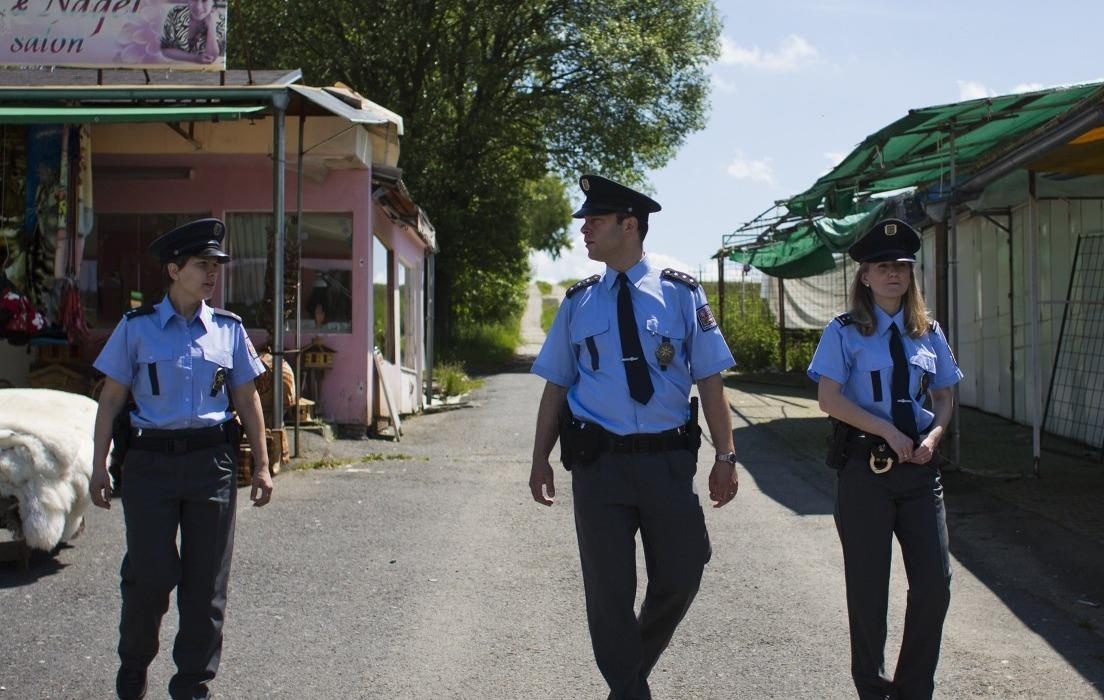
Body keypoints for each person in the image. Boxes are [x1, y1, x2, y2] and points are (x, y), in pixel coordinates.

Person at [529, 174, 738, 699]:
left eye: (594, 221)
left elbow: (710, 380)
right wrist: (539, 459)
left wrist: (726, 455)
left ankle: (626, 680)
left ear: (630, 225)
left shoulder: (681, 292)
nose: (584, 231)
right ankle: (631, 691)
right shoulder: (577, 303)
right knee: (608, 592)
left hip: (667, 463)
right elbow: (556, 388)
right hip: (600, 467)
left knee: (684, 571)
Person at [88, 218, 273, 700]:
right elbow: (110, 401)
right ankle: (134, 665)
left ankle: (193, 684)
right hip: (149, 465)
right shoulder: (137, 329)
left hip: (212, 464)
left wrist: (264, 464)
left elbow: (248, 399)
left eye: (215, 265)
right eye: (201, 265)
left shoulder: (228, 331)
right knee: (149, 577)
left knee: (205, 585)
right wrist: (97, 465)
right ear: (174, 269)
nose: (212, 273)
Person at [807, 218, 963, 700]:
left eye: (901, 266)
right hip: (866, 472)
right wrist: (886, 431)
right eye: (882, 266)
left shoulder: (927, 330)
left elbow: (944, 394)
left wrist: (935, 435)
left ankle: (913, 690)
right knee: (869, 593)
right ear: (865, 277)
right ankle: (873, 690)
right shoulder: (845, 331)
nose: (894, 273)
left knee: (935, 586)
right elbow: (829, 399)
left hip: (920, 472)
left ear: (911, 274)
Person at [161, 0, 226, 65]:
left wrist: (211, 26)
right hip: (174, 68)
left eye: (204, 0)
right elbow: (165, 50)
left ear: (213, 2)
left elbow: (211, 57)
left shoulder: (221, 21)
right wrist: (195, 58)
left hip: (204, 73)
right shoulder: (176, 13)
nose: (198, 7)